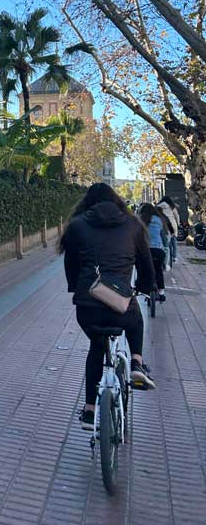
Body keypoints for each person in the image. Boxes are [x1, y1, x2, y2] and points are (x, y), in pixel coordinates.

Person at [61, 183, 157, 430]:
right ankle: (136, 363)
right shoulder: (134, 225)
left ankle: (90, 409)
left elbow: (70, 265)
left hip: (88, 307)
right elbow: (146, 265)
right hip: (121, 306)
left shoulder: (77, 225)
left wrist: (76, 287)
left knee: (96, 346)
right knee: (136, 320)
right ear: (116, 201)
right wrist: (147, 287)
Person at [138, 203, 167, 301]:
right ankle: (162, 292)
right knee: (158, 269)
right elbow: (164, 237)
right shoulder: (159, 220)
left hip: (145, 250)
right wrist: (165, 246)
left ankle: (141, 288)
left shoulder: (140, 220)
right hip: (158, 250)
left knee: (142, 268)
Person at [157, 196, 180, 267]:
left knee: (164, 243)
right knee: (174, 241)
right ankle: (175, 257)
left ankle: (164, 259)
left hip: (163, 225)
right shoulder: (172, 206)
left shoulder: (158, 206)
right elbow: (177, 216)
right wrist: (178, 223)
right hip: (172, 225)